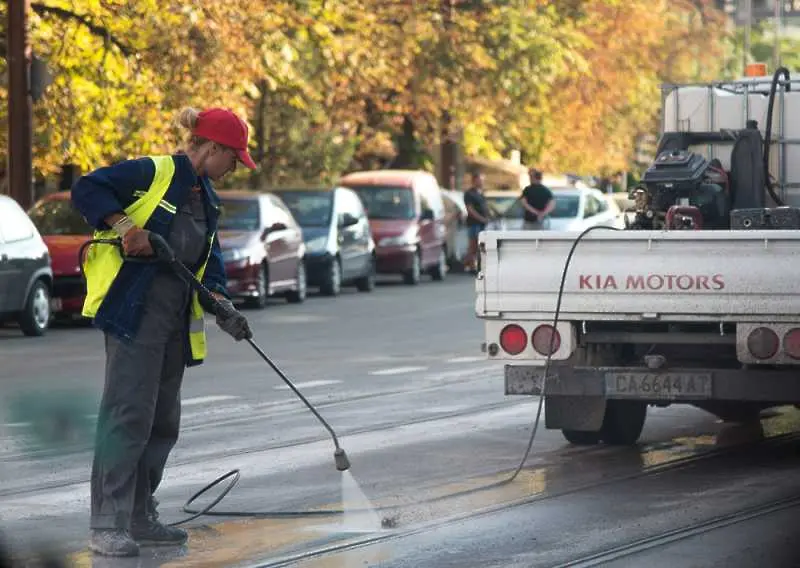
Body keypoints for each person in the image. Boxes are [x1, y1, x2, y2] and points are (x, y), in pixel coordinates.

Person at [71, 107, 255, 557]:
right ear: (211, 147)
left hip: (174, 322)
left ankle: (139, 516)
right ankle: (107, 524)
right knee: (127, 417)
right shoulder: (154, 171)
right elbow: (86, 188)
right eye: (232, 157)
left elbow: (207, 262)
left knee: (161, 422)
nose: (235, 166)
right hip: (134, 315)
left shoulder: (207, 198)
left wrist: (221, 303)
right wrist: (125, 225)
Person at [462, 169, 490, 273]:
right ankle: (469, 265)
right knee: (473, 245)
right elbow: (470, 209)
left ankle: (475, 264)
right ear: (474, 180)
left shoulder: (481, 193)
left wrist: (488, 216)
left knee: (481, 246)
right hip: (474, 223)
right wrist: (481, 218)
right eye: (480, 180)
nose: (482, 182)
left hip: (483, 224)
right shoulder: (469, 193)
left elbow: (485, 207)